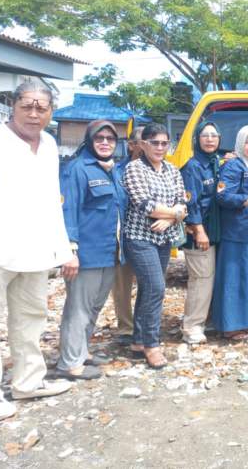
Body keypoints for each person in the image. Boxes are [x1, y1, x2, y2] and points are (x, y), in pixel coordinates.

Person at [0, 83, 73, 421]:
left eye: (41, 108)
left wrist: (64, 249)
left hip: (35, 251)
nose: (34, 114)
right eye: (27, 106)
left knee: (31, 319)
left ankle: (28, 382)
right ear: (13, 105)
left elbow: (52, 202)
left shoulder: (48, 144)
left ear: (51, 111)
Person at [55, 120, 127, 381]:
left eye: (110, 138)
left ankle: (81, 350)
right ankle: (69, 363)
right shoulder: (77, 169)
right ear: (89, 140)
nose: (105, 143)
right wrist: (70, 251)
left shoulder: (113, 170)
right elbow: (68, 210)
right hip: (86, 253)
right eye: (99, 138)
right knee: (78, 308)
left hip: (109, 252)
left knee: (94, 306)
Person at [123, 123, 187, 369]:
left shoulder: (172, 169)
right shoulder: (134, 168)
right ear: (143, 144)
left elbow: (182, 200)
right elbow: (145, 204)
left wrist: (171, 217)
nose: (160, 148)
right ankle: (151, 344)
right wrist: (176, 214)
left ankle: (138, 341)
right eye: (155, 143)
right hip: (140, 238)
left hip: (163, 239)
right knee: (156, 288)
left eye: (164, 143)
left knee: (148, 289)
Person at [213, 126, 248, 340]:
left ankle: (247, 322)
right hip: (238, 233)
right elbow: (222, 196)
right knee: (234, 279)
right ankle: (231, 326)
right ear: (239, 144)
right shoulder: (233, 166)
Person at [179, 122, 223, 344]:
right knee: (201, 279)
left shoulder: (216, 163)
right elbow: (191, 203)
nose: (210, 139)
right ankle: (192, 327)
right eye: (205, 135)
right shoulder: (193, 167)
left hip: (214, 229)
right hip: (199, 232)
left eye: (214, 135)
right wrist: (199, 231)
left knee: (210, 277)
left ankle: (204, 319)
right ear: (197, 139)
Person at [111, 126, 144, 345]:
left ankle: (145, 326)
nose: (150, 145)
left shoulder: (162, 169)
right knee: (122, 284)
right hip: (122, 236)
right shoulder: (116, 171)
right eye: (144, 141)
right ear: (131, 145)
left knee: (150, 284)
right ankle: (125, 327)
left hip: (148, 236)